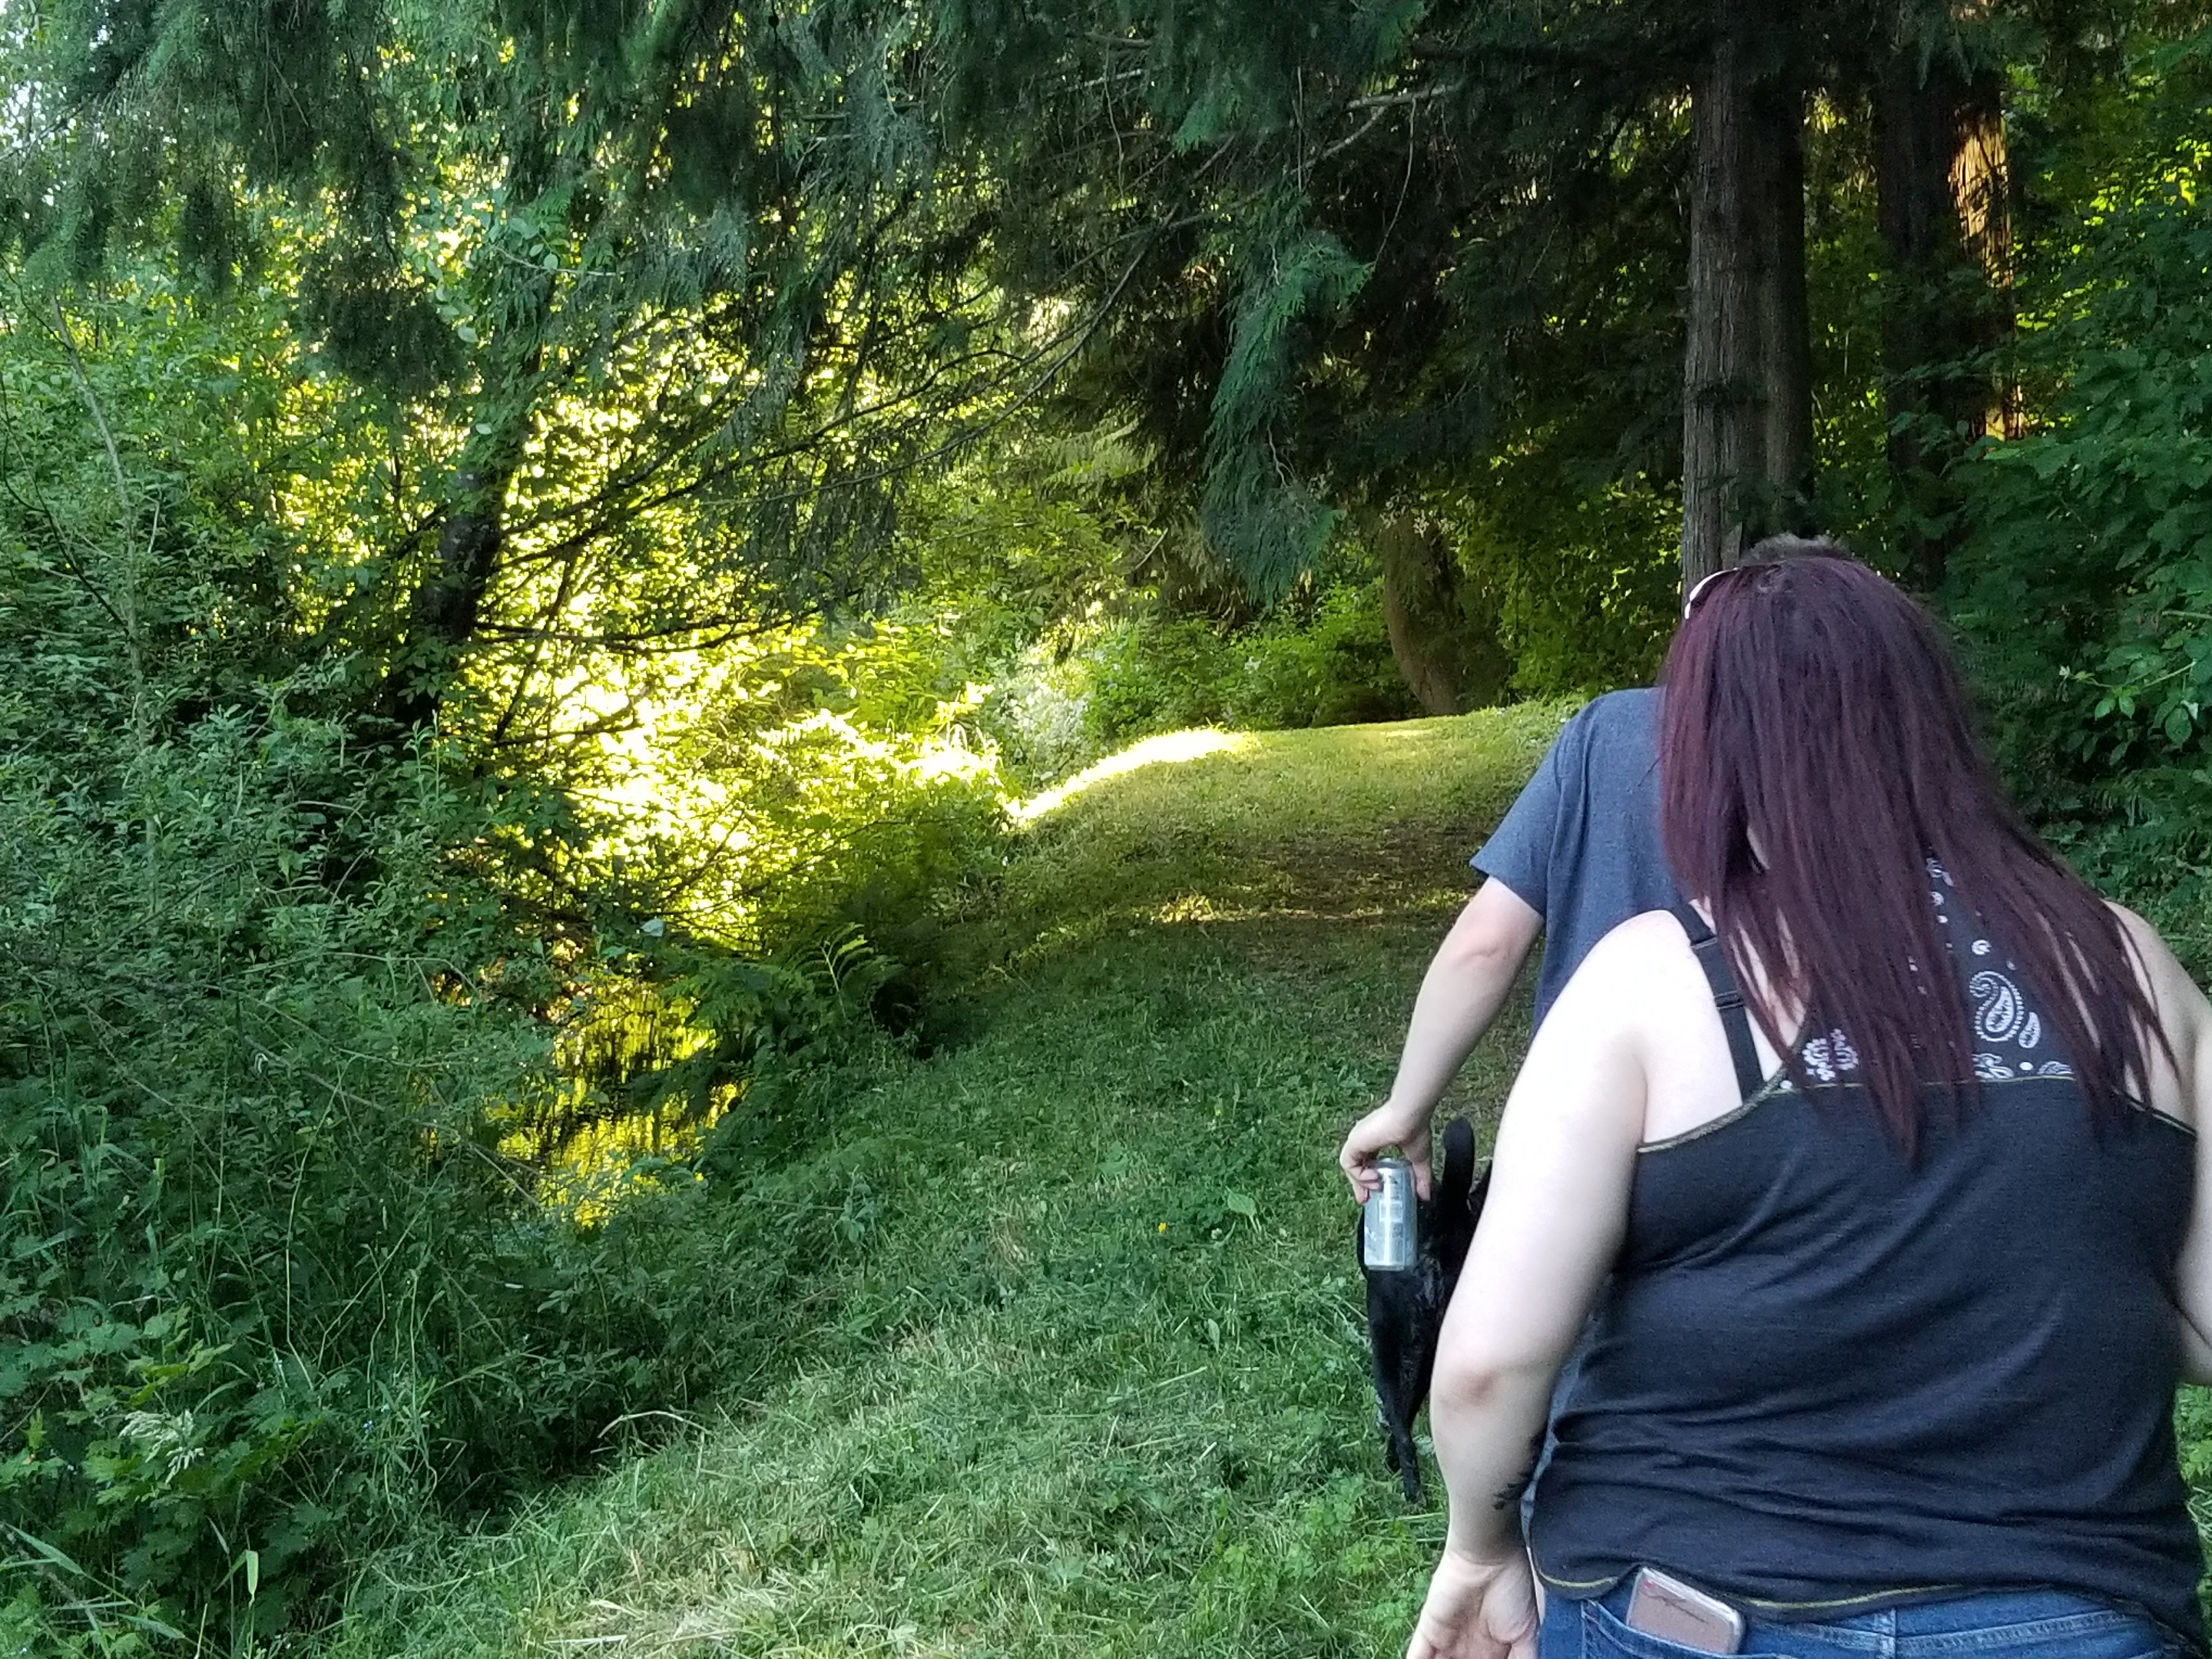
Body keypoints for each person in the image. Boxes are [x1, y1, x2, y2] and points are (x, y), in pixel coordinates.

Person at [1402, 552, 2212, 1659]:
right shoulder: (2128, 968)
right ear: (1933, 728)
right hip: (2074, 1616)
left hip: (1693, 1615)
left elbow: (1490, 1365)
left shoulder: (1653, 983)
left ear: (1710, 756)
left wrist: (1479, 1548)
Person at [1337, 686, 1677, 1201]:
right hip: (1763, 1152)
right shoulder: (1813, 754)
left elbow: (1487, 943)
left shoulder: (1611, 731)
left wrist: (1405, 1109)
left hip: (1580, 1146)